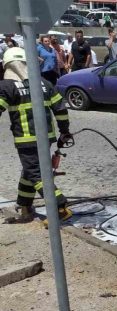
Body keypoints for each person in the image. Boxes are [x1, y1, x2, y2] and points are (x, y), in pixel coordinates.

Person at [0, 47, 73, 224]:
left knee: (35, 174)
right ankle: (25, 208)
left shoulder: (7, 86)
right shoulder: (44, 83)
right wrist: (64, 131)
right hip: (46, 137)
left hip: (26, 140)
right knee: (29, 172)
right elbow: (61, 109)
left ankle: (60, 206)